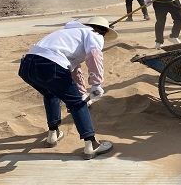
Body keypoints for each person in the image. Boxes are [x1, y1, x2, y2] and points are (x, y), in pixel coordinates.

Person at [18, 16, 117, 159]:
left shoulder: (70, 34)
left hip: (27, 66)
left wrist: (82, 92)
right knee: (77, 104)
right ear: (103, 32)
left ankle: (53, 134)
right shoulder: (95, 35)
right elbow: (94, 56)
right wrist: (96, 83)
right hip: (51, 65)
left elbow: (73, 68)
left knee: (51, 94)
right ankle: (92, 145)